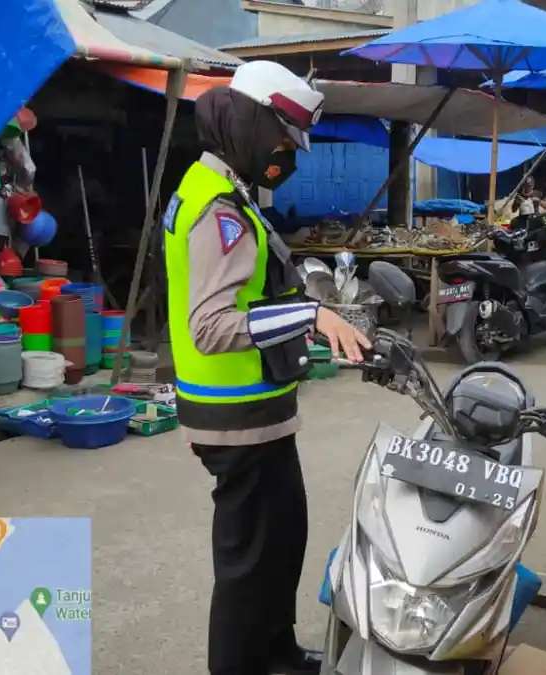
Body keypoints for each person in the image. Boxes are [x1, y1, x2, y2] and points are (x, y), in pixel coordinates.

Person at [164, 61, 369, 675]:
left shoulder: (226, 194)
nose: (287, 157)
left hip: (255, 411)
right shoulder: (217, 211)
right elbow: (212, 324)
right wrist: (309, 316)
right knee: (250, 559)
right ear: (252, 125)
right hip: (233, 415)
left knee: (281, 541)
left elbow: (251, 295)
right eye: (283, 142)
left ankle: (275, 653)